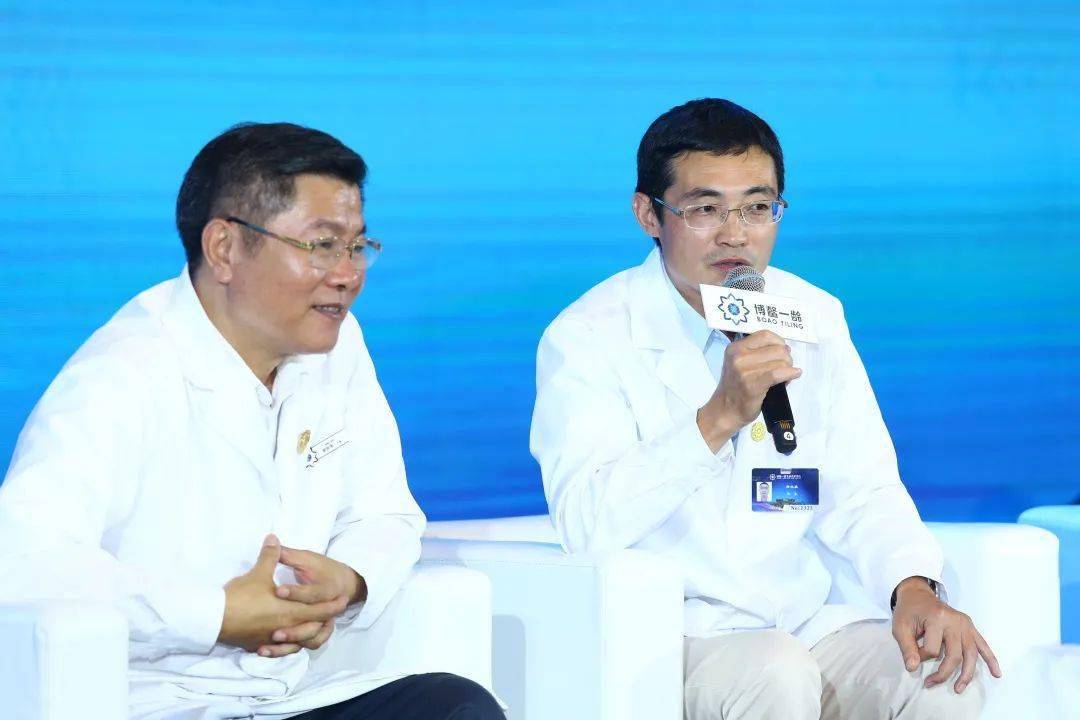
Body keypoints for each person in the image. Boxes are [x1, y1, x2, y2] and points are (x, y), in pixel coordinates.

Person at [0, 123, 503, 720]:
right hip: (154, 704)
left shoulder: (338, 346)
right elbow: (23, 560)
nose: (348, 274)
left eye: (357, 246)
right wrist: (215, 614)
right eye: (322, 245)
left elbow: (385, 512)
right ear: (225, 248)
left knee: (457, 707)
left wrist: (348, 580)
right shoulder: (120, 374)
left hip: (287, 698)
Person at [530, 99, 1001, 720]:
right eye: (705, 209)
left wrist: (911, 585)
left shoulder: (813, 314)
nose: (736, 234)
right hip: (673, 636)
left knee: (943, 678)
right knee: (775, 672)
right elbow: (587, 524)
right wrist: (718, 417)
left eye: (757, 208)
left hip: (806, 625)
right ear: (648, 214)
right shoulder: (588, 337)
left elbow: (863, 488)